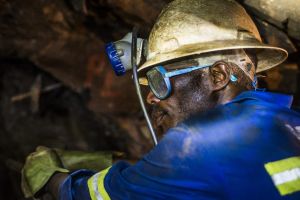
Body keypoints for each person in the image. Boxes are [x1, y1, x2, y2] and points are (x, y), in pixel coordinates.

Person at [22, 0, 300, 199]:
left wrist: (49, 177)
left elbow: (96, 195)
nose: (151, 98)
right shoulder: (292, 124)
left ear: (218, 75)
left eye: (159, 80)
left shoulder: (197, 144)